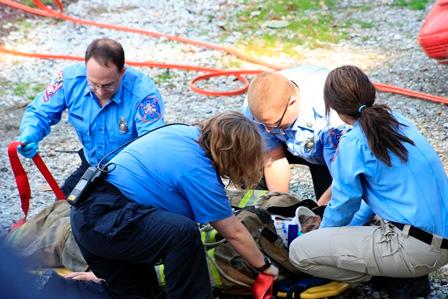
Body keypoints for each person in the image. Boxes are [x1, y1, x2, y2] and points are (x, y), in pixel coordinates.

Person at [70, 111, 279, 299]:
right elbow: (234, 232)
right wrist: (265, 266)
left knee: (141, 293)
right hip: (109, 219)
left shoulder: (182, 132)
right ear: (236, 155)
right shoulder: (198, 169)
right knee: (182, 234)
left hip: (87, 216)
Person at [289, 65, 448, 299]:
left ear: (333, 107)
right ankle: (400, 274)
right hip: (441, 241)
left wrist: (321, 236)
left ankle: (390, 277)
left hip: (416, 250)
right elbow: (376, 196)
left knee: (299, 252)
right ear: (370, 91)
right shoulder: (397, 120)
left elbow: (344, 204)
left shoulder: (353, 143)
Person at [17, 38, 165, 196]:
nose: (100, 92)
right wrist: (29, 134)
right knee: (64, 210)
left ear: (122, 72)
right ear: (85, 69)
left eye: (108, 85)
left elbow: (152, 147)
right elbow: (40, 112)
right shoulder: (69, 81)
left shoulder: (144, 96)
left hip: (132, 175)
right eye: (93, 84)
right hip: (93, 166)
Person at [242, 65, 348, 204]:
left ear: (292, 102)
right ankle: (256, 211)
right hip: (290, 141)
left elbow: (345, 177)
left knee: (333, 209)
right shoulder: (257, 110)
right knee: (247, 158)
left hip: (329, 150)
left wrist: (318, 214)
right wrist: (280, 205)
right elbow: (273, 157)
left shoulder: (332, 116)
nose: (267, 130)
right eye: (263, 124)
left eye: (274, 124)